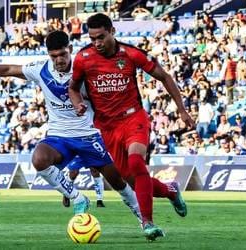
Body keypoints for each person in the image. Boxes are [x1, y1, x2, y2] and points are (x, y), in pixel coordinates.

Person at [0, 31, 142, 224]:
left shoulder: (86, 68)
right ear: (48, 54)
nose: (59, 60)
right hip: (58, 135)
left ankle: (144, 218)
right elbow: (8, 70)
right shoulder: (40, 69)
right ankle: (78, 198)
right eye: (54, 56)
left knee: (117, 181)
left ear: (70, 50)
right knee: (39, 159)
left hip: (90, 134)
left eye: (63, 54)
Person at [69, 13, 195, 241]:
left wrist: (182, 110)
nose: (97, 43)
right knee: (133, 180)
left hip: (133, 118)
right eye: (92, 38)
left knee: (137, 162)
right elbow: (73, 88)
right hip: (107, 126)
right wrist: (77, 103)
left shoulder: (130, 53)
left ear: (112, 32)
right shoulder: (83, 58)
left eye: (101, 37)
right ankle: (170, 190)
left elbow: (164, 77)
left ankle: (147, 222)